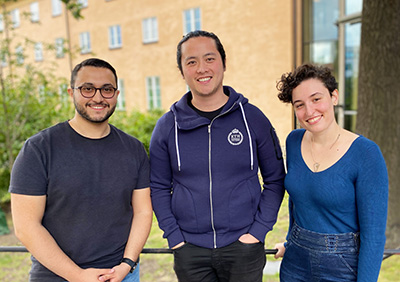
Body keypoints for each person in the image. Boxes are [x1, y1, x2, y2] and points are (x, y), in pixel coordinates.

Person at [150, 30, 286, 282]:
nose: (201, 68)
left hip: (244, 246)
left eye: (209, 58)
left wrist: (257, 231)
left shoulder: (253, 119)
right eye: (191, 62)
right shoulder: (167, 126)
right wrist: (175, 238)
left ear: (223, 63)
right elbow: (157, 186)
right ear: (182, 71)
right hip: (190, 250)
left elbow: (276, 180)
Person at [9, 58, 153, 282]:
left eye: (106, 89)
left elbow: (143, 212)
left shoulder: (133, 149)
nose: (97, 97)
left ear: (116, 94)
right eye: (87, 89)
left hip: (121, 275)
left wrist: (127, 264)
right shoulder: (39, 149)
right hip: (55, 276)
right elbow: (26, 227)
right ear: (71, 92)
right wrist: (77, 275)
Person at [274, 63, 388, 282]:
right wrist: (290, 241)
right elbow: (298, 201)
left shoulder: (366, 153)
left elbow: (373, 237)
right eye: (299, 105)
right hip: (295, 263)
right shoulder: (293, 141)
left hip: (343, 267)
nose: (309, 111)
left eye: (316, 99)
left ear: (334, 96)